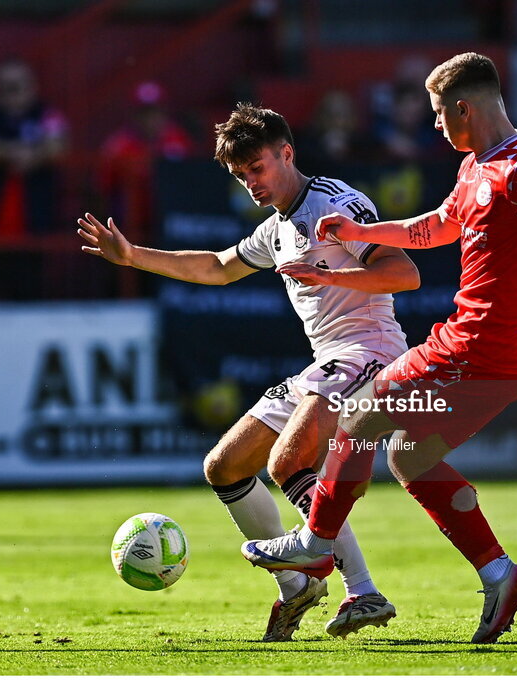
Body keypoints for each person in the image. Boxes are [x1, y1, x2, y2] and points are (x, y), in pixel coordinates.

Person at [242, 53, 517, 643]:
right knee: (408, 456)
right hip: (500, 361)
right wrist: (361, 233)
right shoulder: (476, 168)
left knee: (360, 416)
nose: (436, 125)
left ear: (464, 106)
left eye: (440, 113)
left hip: (475, 350)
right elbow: (435, 227)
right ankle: (500, 574)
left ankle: (313, 546)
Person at [77, 103, 418, 641]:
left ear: (286, 153)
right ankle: (296, 586)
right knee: (225, 466)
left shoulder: (336, 204)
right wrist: (132, 256)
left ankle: (363, 590)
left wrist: (328, 268)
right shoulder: (277, 227)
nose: (251, 184)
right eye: (240, 176)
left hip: (369, 351)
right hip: (328, 361)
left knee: (290, 461)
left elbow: (404, 271)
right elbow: (216, 266)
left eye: (257, 168)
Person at [0, 58, 69, 299]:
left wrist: (34, 155)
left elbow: (58, 145)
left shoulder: (45, 113)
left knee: (29, 292)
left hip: (32, 223)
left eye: (17, 86)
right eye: (5, 87)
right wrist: (15, 152)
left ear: (31, 87)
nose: (12, 94)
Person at [97, 81, 196, 241]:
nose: (150, 118)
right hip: (132, 219)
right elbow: (104, 190)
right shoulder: (118, 145)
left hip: (171, 215)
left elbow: (194, 179)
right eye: (144, 112)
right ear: (134, 114)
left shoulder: (179, 139)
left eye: (154, 111)